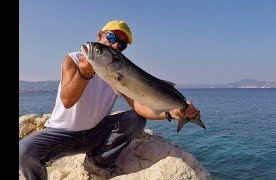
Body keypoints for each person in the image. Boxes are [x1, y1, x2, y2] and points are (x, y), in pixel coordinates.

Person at [19, 20, 201, 180]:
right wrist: (84, 74)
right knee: (23, 151)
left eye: (121, 45)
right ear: (100, 35)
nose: (115, 47)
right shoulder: (73, 59)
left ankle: (97, 162)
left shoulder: (116, 71)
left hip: (96, 133)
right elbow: (67, 100)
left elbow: (139, 106)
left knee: (136, 119)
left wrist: (173, 112)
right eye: (112, 39)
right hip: (61, 134)